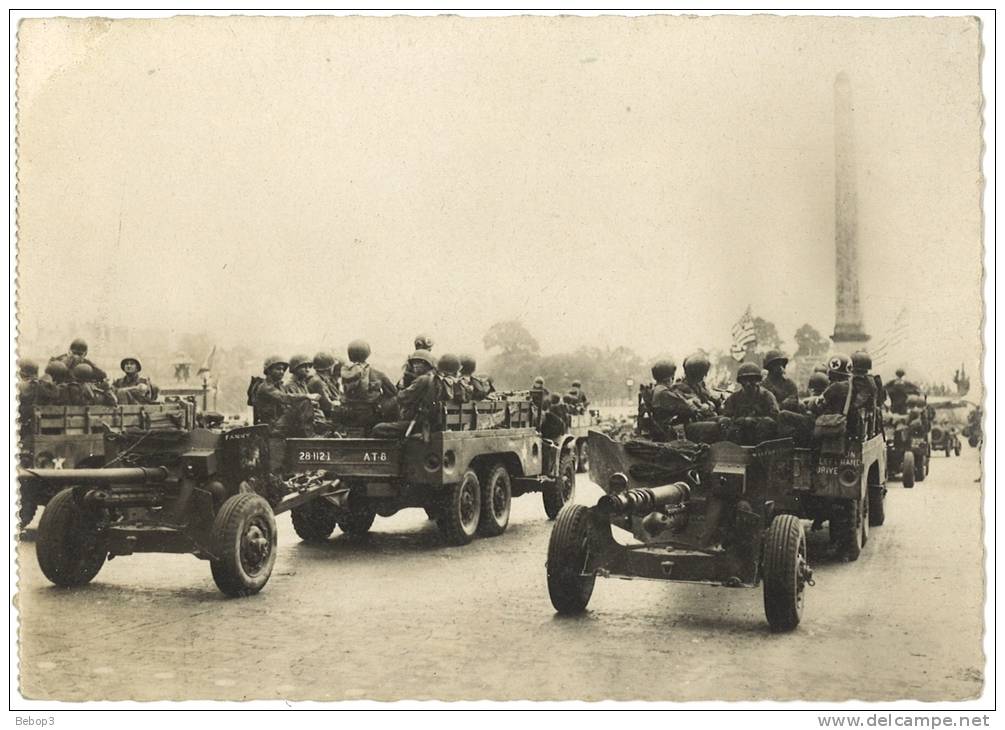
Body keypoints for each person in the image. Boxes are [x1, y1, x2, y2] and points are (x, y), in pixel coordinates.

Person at [370, 350, 438, 437]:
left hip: (416, 424)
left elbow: (402, 397)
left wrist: (401, 387)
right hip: (425, 423)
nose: (415, 366)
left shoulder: (422, 380)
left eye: (420, 363)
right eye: (414, 363)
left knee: (378, 428)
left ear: (428, 365)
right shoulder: (432, 378)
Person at [253, 355, 321, 437]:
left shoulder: (279, 385)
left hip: (279, 422)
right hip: (272, 426)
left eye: (283, 369)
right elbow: (285, 398)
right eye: (278, 369)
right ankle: (309, 435)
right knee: (304, 402)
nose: (281, 371)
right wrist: (307, 396)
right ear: (269, 370)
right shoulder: (265, 387)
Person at [648, 359, 706, 440]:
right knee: (716, 426)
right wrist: (694, 403)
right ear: (669, 378)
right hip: (672, 431)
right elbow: (688, 409)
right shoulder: (664, 393)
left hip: (668, 428)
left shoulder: (657, 389)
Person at [308, 351, 342, 418]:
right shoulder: (317, 381)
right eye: (333, 366)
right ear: (328, 368)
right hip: (323, 416)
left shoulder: (324, 379)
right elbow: (327, 405)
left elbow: (334, 396)